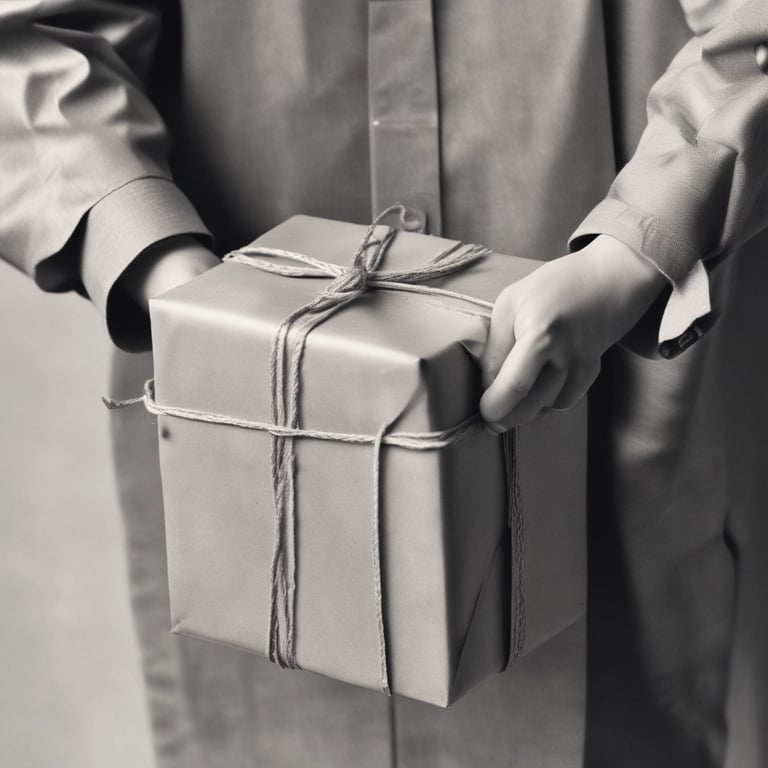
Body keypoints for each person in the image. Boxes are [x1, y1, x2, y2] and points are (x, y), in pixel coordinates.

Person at [2, 0, 767, 765]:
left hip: (596, 420)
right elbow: (29, 43)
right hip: (233, 459)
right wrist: (184, 291)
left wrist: (629, 253)